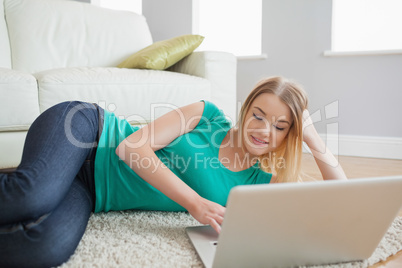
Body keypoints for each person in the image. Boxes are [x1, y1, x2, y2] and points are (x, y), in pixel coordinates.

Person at [0, 76, 347, 268]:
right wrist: (194, 202)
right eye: (258, 114)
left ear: (290, 134)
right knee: (31, 195)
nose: (263, 129)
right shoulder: (206, 115)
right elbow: (131, 148)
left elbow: (340, 201)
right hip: (86, 132)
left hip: (93, 192)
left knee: (43, 248)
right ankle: (31, 178)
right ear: (246, 109)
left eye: (280, 126)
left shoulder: (261, 182)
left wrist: (313, 138)